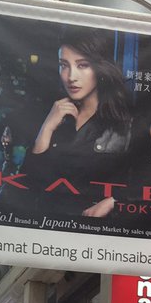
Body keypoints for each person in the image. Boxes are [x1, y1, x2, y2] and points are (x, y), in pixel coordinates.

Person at [25, 30, 131, 219]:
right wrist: (47, 128)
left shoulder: (127, 123)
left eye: (82, 65)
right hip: (45, 225)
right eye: (64, 65)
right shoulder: (54, 114)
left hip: (94, 229)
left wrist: (114, 201)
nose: (71, 76)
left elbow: (150, 181)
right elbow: (28, 183)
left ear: (100, 68)